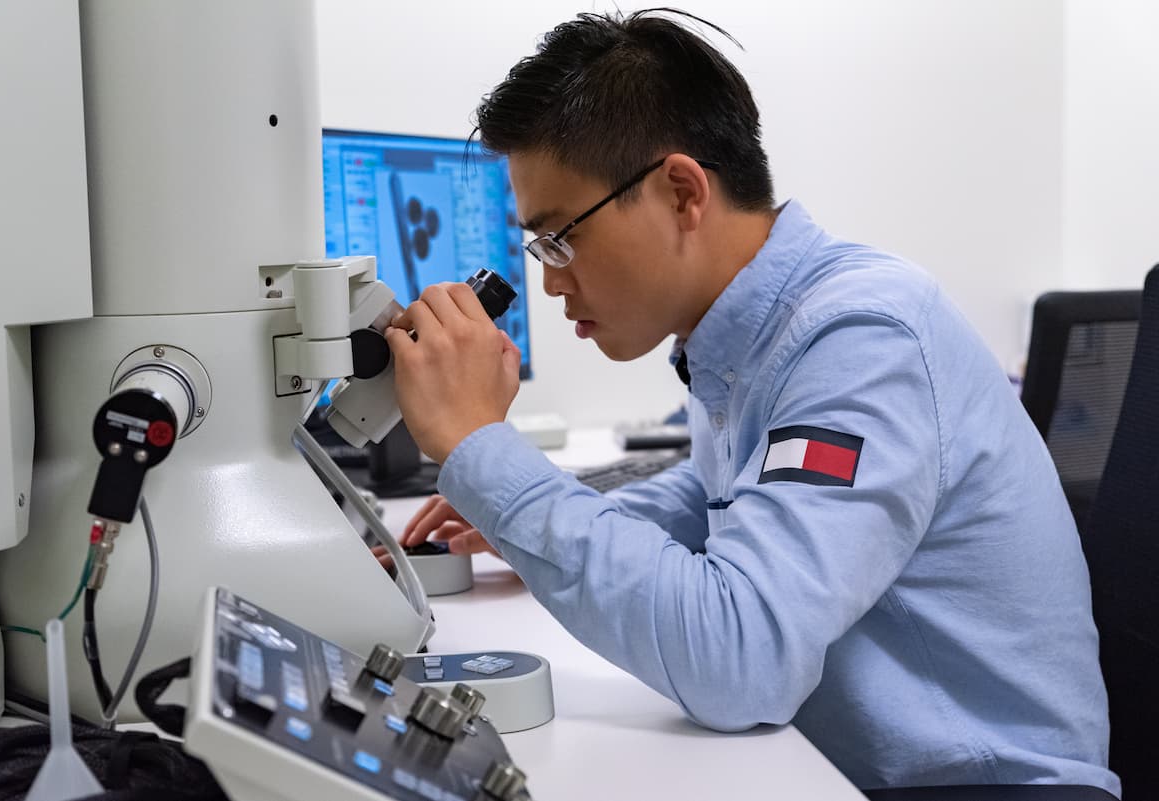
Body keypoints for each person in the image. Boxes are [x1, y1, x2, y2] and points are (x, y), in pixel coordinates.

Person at [382, 9, 1119, 797]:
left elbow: (742, 659)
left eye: (560, 237)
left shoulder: (860, 338)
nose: (551, 279)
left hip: (983, 783)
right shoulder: (744, 333)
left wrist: (485, 452)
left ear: (681, 192)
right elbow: (725, 493)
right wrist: (540, 519)